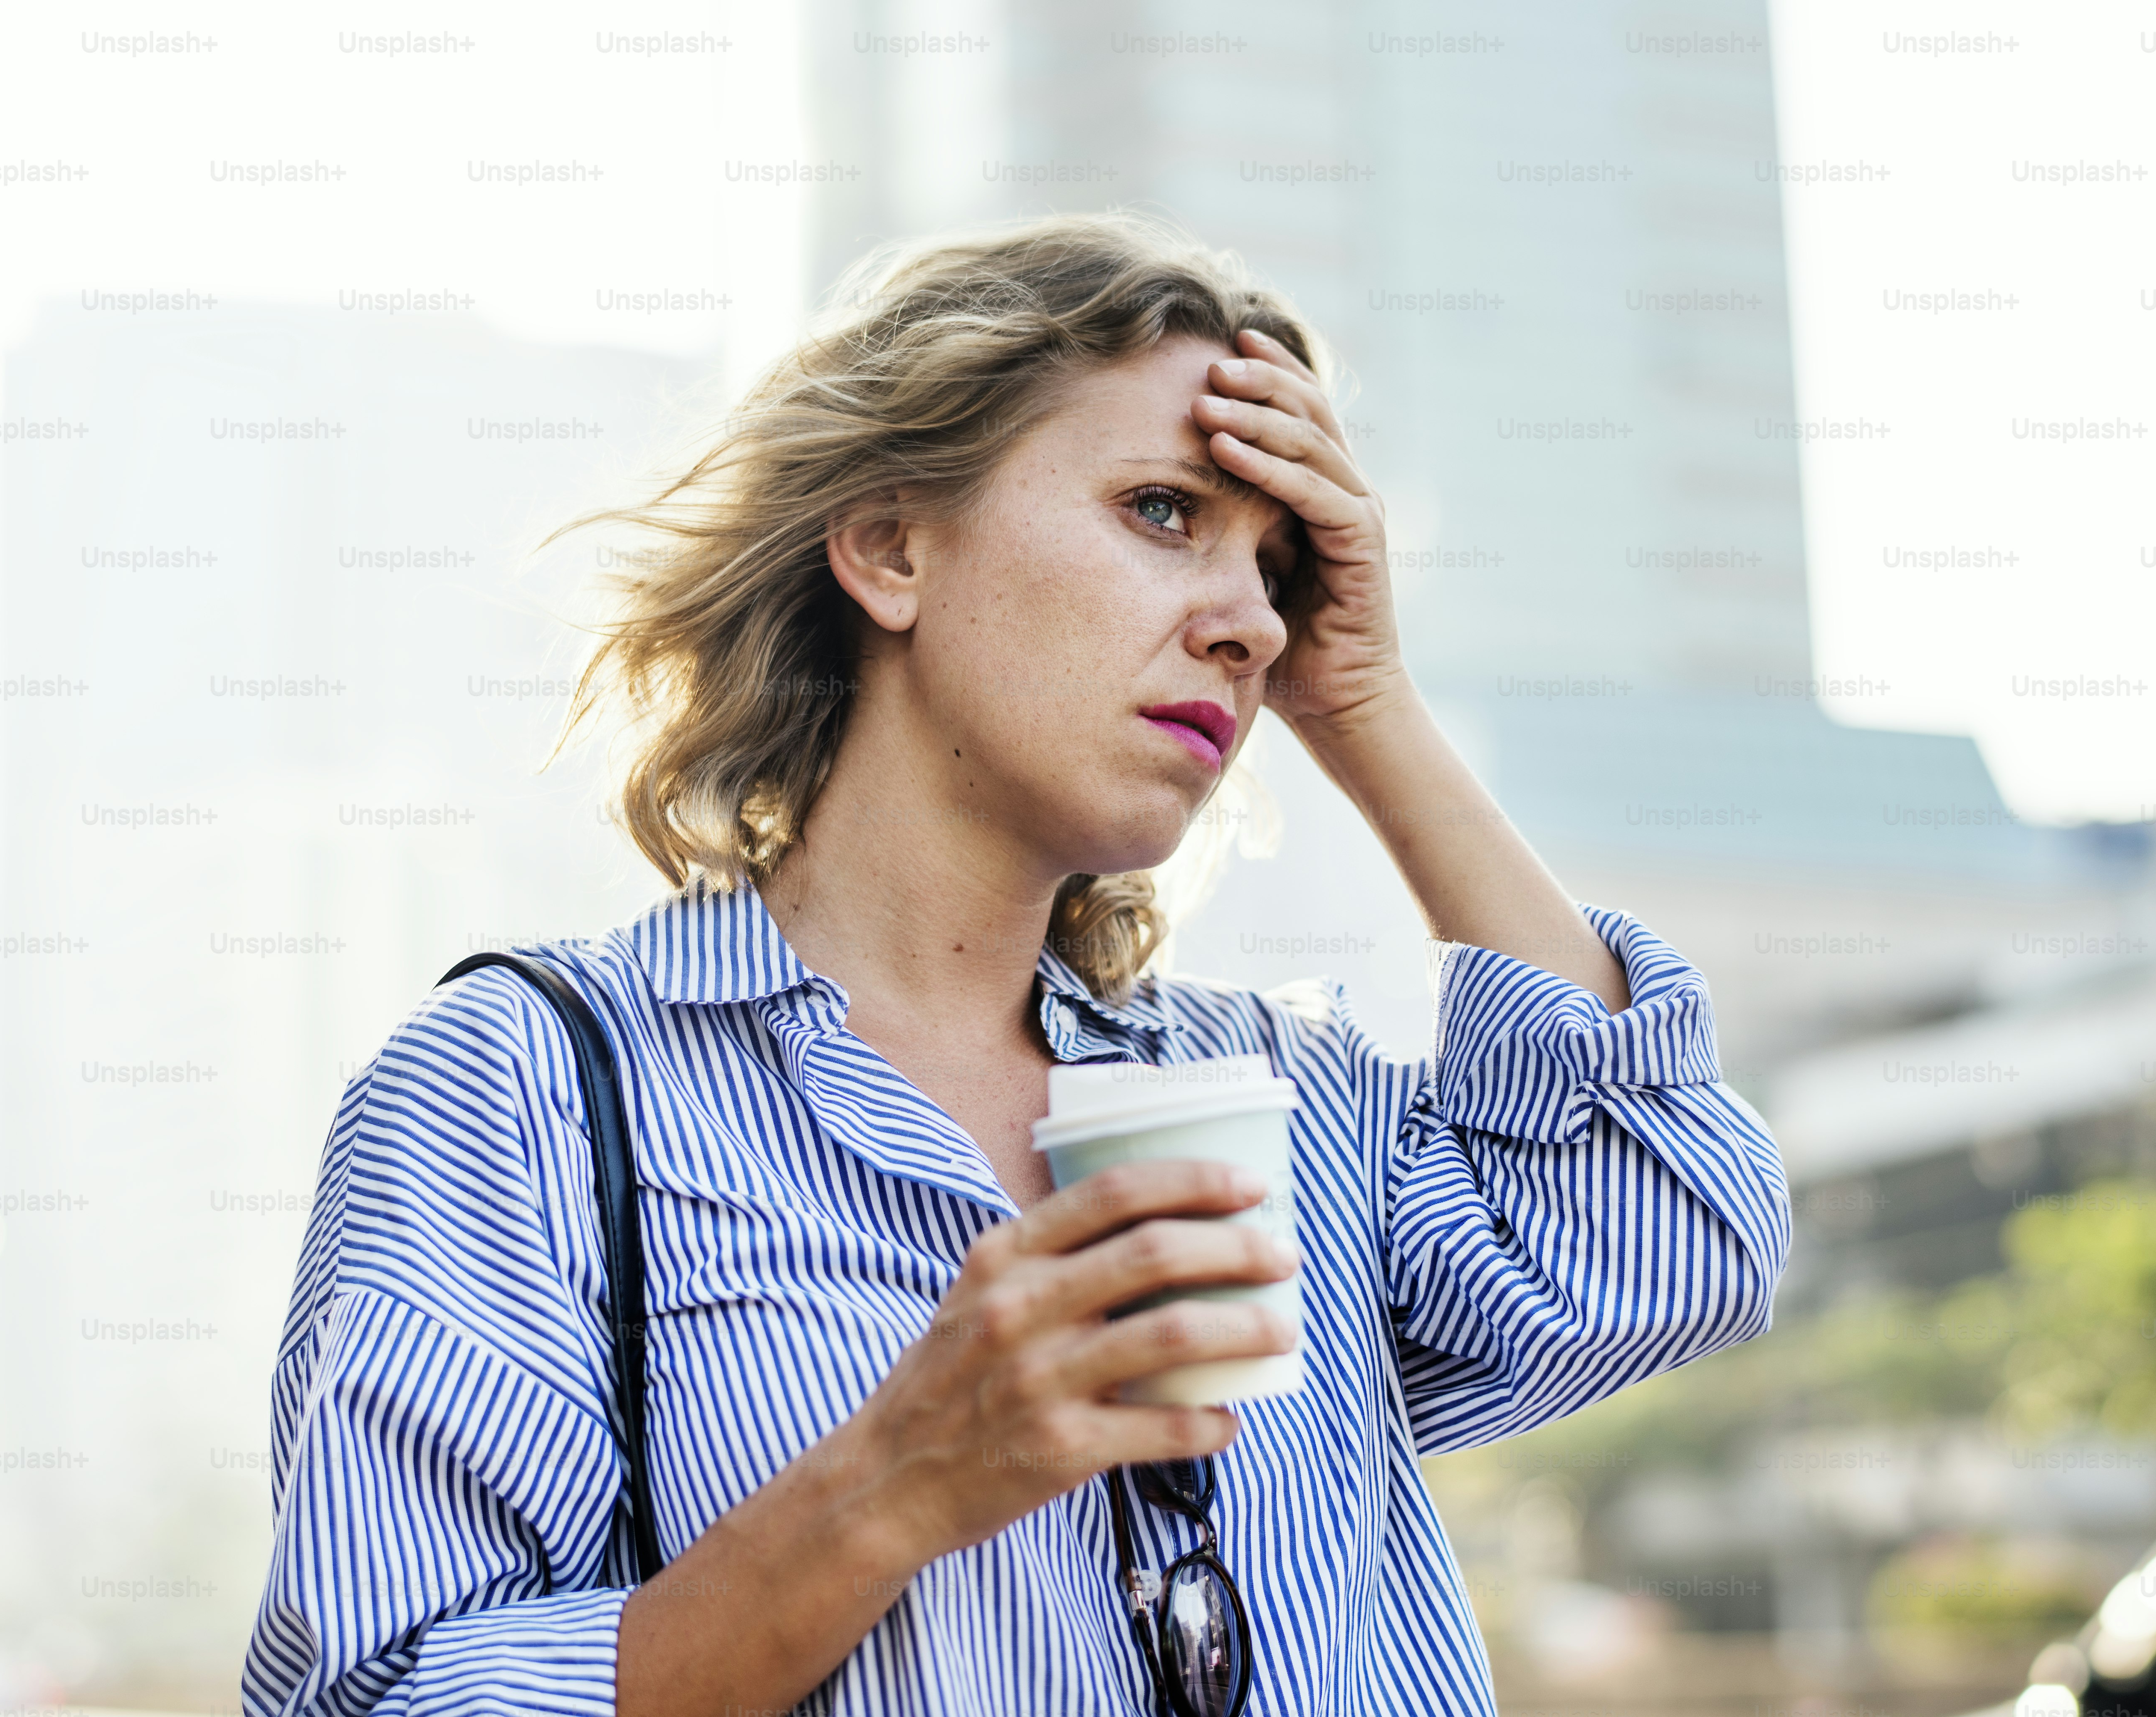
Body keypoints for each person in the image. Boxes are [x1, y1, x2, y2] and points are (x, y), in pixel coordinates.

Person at [241, 212, 1789, 1717]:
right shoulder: (524, 1098)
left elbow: (1667, 1234)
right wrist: (896, 1480)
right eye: (1166, 512)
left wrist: (1368, 699)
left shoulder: (1275, 1099)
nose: (1250, 626)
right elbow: (385, 1696)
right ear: (890, 543)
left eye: (1284, 574)